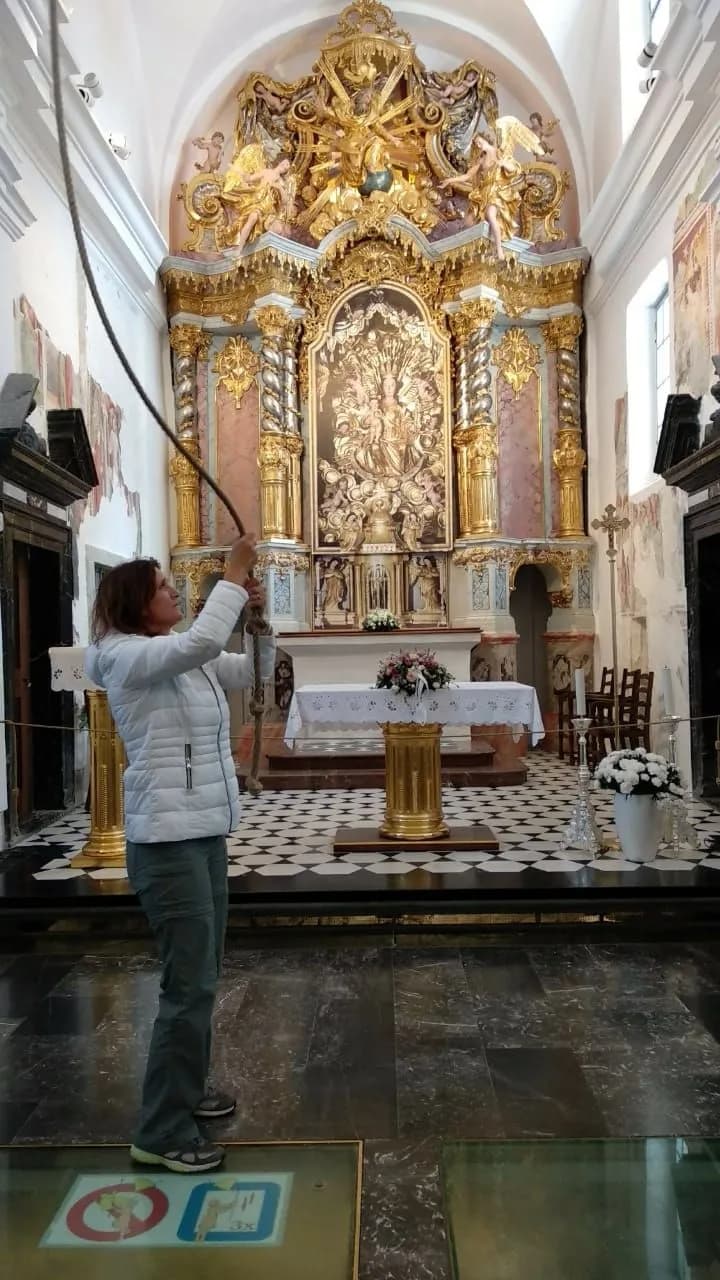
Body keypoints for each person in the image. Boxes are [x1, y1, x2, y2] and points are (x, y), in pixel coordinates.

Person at [85, 535, 275, 1175]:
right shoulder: (123, 656)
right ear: (138, 603)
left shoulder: (177, 658)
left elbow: (246, 673)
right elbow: (198, 642)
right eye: (166, 588)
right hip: (165, 842)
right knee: (186, 987)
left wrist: (256, 620)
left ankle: (186, 1092)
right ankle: (161, 1130)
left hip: (201, 831)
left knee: (201, 978)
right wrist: (233, 574)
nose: (175, 593)